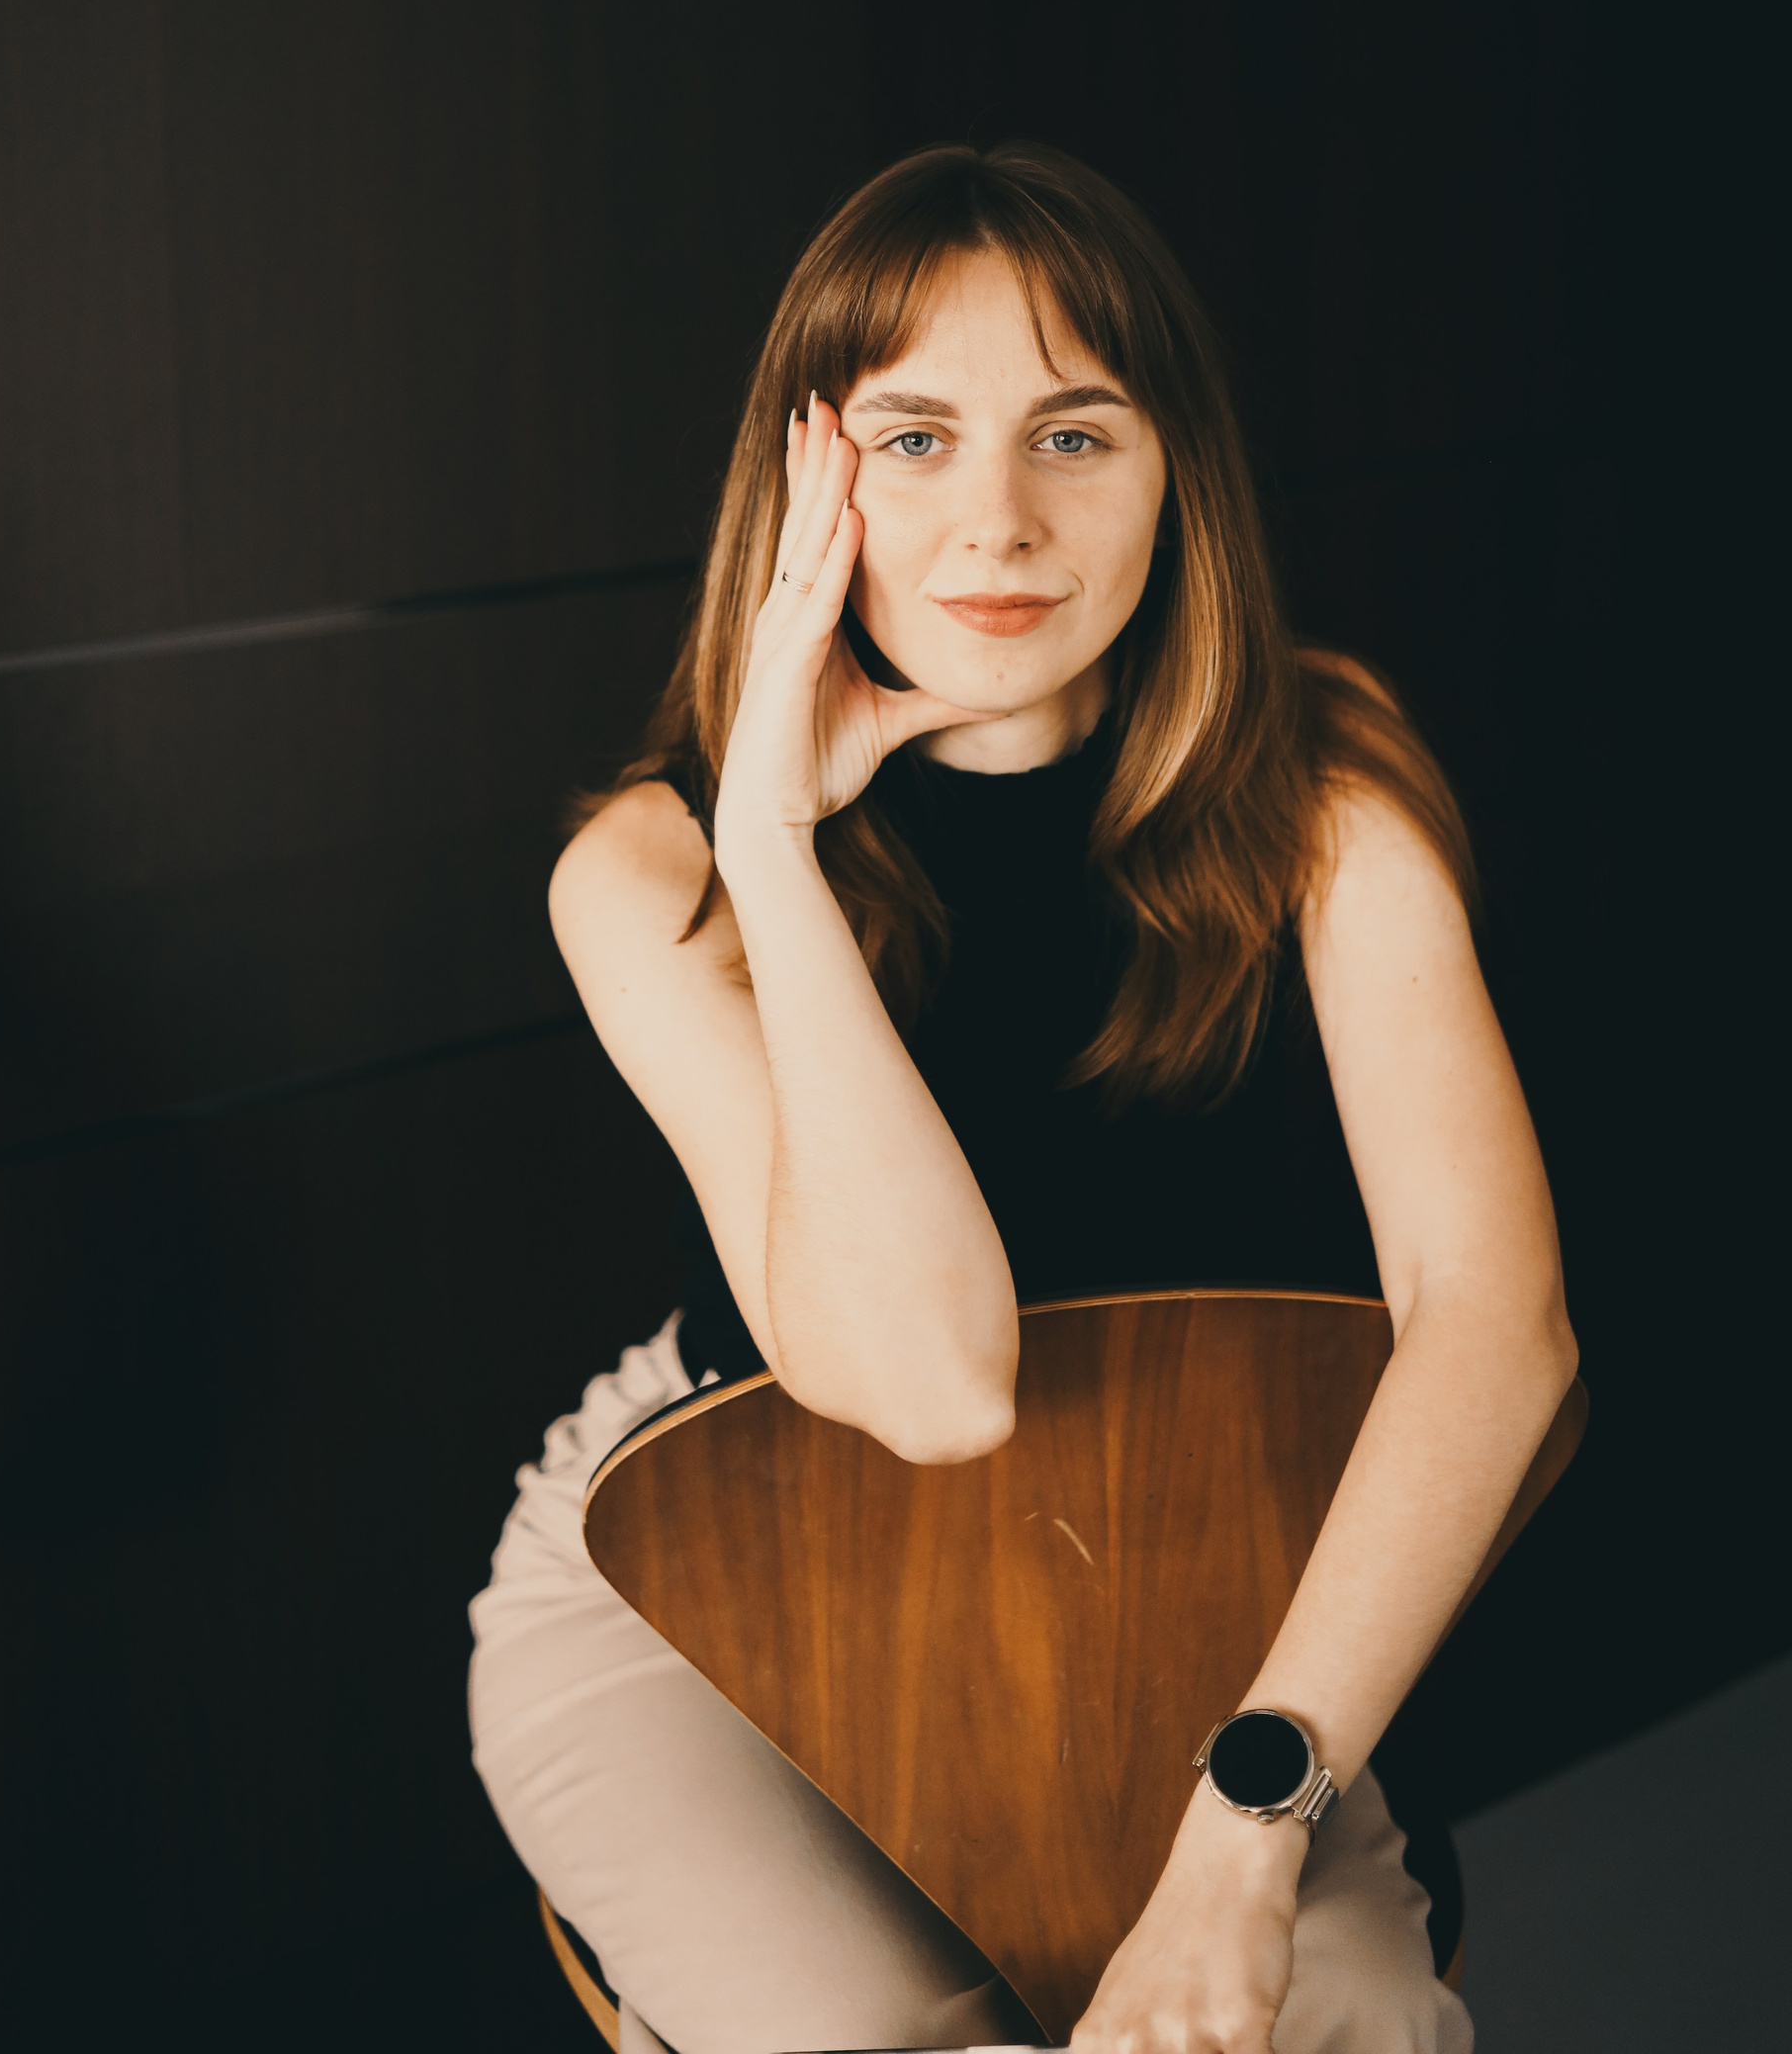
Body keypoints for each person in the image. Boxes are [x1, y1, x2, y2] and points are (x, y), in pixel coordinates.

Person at [468, 143, 1576, 2054]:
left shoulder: (1323, 783)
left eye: (1074, 435)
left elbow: (1498, 1330)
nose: (997, 521)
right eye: (913, 441)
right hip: (710, 1550)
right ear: (805, 483)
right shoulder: (655, 871)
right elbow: (935, 1387)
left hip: (1172, 1555)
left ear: (1175, 474)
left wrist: (1242, 1842)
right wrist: (777, 844)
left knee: (1322, 2030)